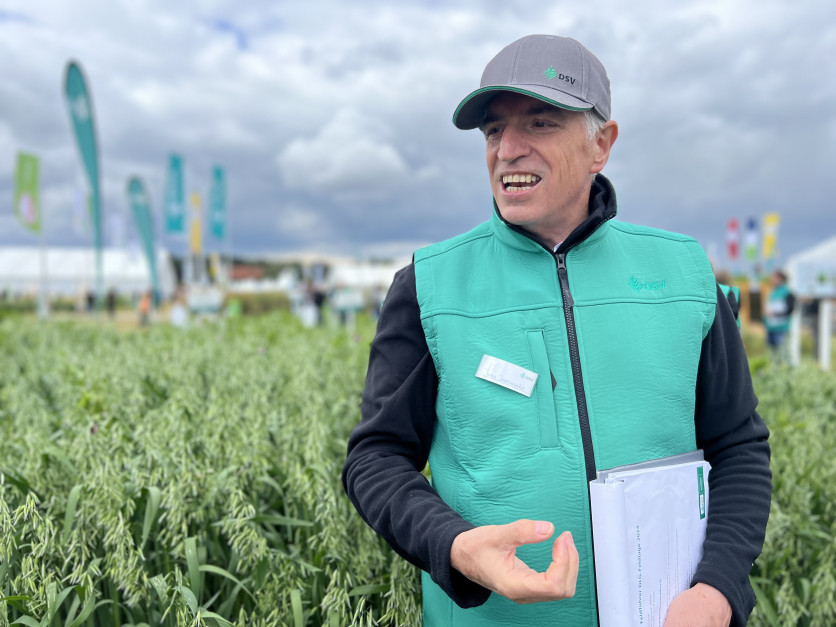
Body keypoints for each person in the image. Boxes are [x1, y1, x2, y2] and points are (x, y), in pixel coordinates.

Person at [342, 34, 771, 626]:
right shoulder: (428, 286)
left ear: (603, 144)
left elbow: (738, 448)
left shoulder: (685, 274)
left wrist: (717, 590)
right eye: (494, 131)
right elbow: (376, 458)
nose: (508, 149)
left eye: (540, 123)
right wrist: (456, 547)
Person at [764, 269, 795, 364]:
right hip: (771, 327)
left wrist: (776, 314)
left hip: (782, 328)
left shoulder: (787, 292)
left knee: (783, 353)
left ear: (781, 279)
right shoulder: (773, 292)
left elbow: (790, 309)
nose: (772, 280)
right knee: (773, 354)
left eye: (774, 278)